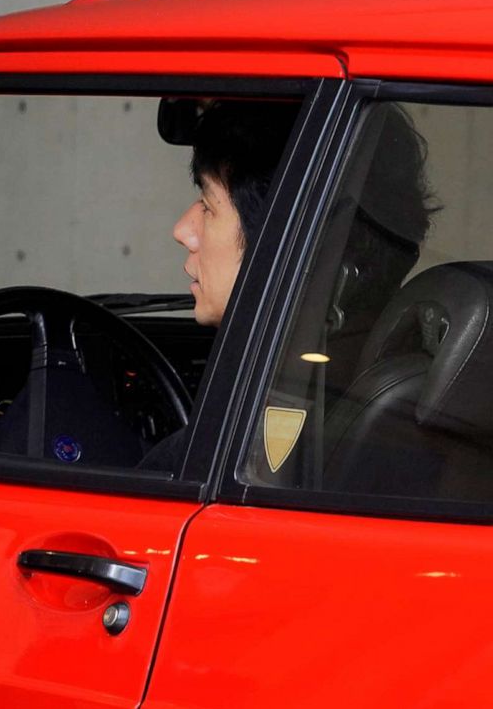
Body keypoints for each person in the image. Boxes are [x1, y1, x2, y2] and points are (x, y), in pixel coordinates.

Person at [146, 98, 433, 470]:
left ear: (286, 241)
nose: (182, 230)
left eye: (208, 205)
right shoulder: (361, 378)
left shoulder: (277, 418)